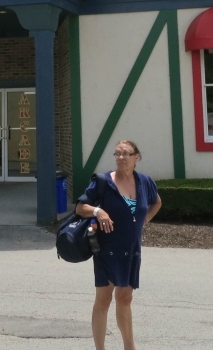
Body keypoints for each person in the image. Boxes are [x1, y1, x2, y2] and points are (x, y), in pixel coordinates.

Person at [75, 139, 162, 350]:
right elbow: (80, 207)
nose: (121, 158)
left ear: (136, 157)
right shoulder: (103, 181)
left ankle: (129, 347)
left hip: (131, 250)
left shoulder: (145, 182)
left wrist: (143, 221)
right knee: (103, 300)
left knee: (125, 298)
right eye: (117, 154)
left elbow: (156, 202)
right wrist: (98, 211)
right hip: (107, 248)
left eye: (126, 154)